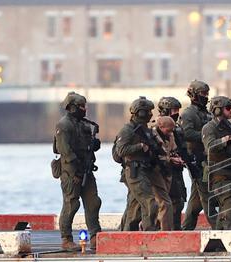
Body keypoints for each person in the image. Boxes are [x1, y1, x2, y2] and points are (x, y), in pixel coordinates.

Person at [54, 92, 102, 251]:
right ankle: (66, 238)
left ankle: (95, 236)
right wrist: (76, 172)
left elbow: (88, 145)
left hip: (86, 169)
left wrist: (94, 144)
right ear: (73, 107)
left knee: (93, 202)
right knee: (71, 204)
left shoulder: (83, 124)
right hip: (71, 171)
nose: (85, 109)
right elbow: (65, 151)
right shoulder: (64, 125)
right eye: (82, 107)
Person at [114, 97, 164, 231]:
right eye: (147, 112)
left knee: (134, 208)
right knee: (150, 203)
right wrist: (140, 146)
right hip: (134, 171)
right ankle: (149, 230)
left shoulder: (145, 130)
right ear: (140, 112)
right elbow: (121, 151)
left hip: (146, 170)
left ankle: (126, 234)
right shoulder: (128, 130)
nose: (150, 114)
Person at [178, 80, 217, 230]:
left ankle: (186, 228)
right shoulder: (188, 114)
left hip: (207, 158)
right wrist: (206, 135)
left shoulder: (206, 113)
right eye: (202, 94)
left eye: (207, 94)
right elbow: (186, 133)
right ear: (193, 95)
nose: (205, 97)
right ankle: (218, 228)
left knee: (196, 200)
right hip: (196, 158)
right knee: (207, 194)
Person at [202, 96, 231, 229]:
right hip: (219, 173)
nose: (230, 111)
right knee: (229, 204)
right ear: (218, 110)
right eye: (227, 108)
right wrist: (223, 141)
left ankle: (218, 240)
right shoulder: (209, 127)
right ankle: (227, 238)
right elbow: (209, 146)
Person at [158, 96, 190, 229]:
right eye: (173, 110)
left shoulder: (176, 129)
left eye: (178, 110)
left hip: (176, 170)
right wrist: (170, 159)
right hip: (162, 171)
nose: (176, 113)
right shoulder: (157, 129)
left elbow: (182, 148)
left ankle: (176, 229)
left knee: (179, 200)